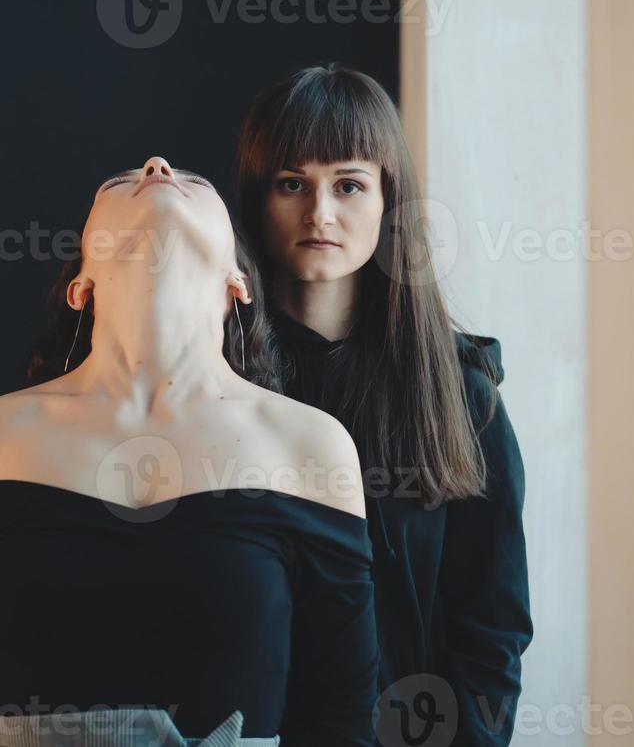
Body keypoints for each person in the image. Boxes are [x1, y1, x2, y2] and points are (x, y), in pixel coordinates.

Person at [0, 156, 380, 746]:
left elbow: (343, 715)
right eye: (120, 182)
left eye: (196, 183)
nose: (156, 167)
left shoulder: (311, 446)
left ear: (238, 281)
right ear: (82, 286)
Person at [236, 64, 534, 746]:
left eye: (348, 184)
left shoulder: (461, 396)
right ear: (257, 200)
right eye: (292, 183)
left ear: (388, 201)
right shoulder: (216, 381)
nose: (320, 212)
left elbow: (493, 629)